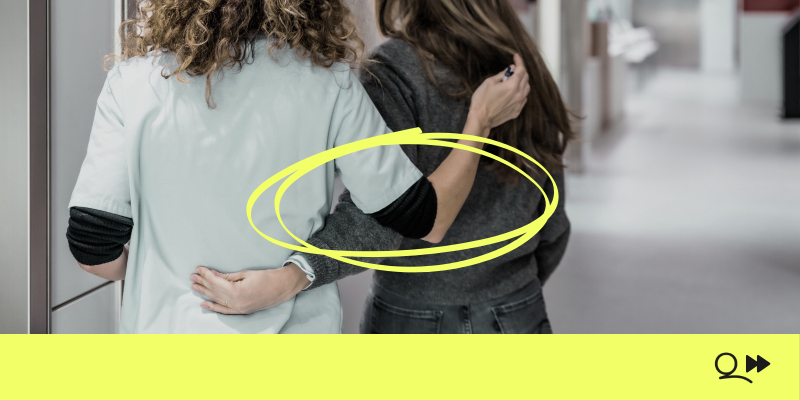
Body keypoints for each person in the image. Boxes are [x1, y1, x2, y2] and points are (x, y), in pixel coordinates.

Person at [67, 0, 529, 333]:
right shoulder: (329, 82)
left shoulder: (132, 83)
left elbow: (92, 247)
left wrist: (157, 271)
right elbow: (419, 215)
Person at [197, 0, 574, 334]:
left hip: (414, 316)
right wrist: (510, 288)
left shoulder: (394, 71)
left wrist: (295, 275)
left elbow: (383, 217)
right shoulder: (522, 70)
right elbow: (552, 215)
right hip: (517, 308)